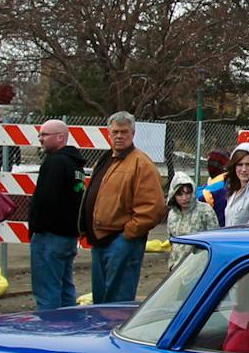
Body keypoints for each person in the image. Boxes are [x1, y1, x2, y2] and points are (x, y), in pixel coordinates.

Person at [80, 112, 166, 302]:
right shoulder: (105, 160)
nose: (119, 136)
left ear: (133, 134)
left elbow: (154, 207)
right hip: (100, 241)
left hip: (121, 242)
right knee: (100, 300)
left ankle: (112, 330)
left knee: (117, 303)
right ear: (108, 134)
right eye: (115, 132)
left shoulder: (141, 164)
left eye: (124, 132)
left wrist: (128, 234)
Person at [27, 119, 88, 311]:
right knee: (65, 288)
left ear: (60, 137)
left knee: (47, 292)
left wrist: (36, 227)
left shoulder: (55, 163)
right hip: (68, 237)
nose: (40, 139)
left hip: (49, 237)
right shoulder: (75, 165)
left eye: (45, 135)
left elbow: (46, 200)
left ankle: (48, 333)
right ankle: (69, 327)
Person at [162, 173, 212, 266]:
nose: (184, 198)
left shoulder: (205, 211)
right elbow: (172, 241)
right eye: (180, 194)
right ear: (173, 195)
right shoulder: (172, 214)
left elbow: (214, 239)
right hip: (177, 266)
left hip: (198, 265)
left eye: (188, 192)